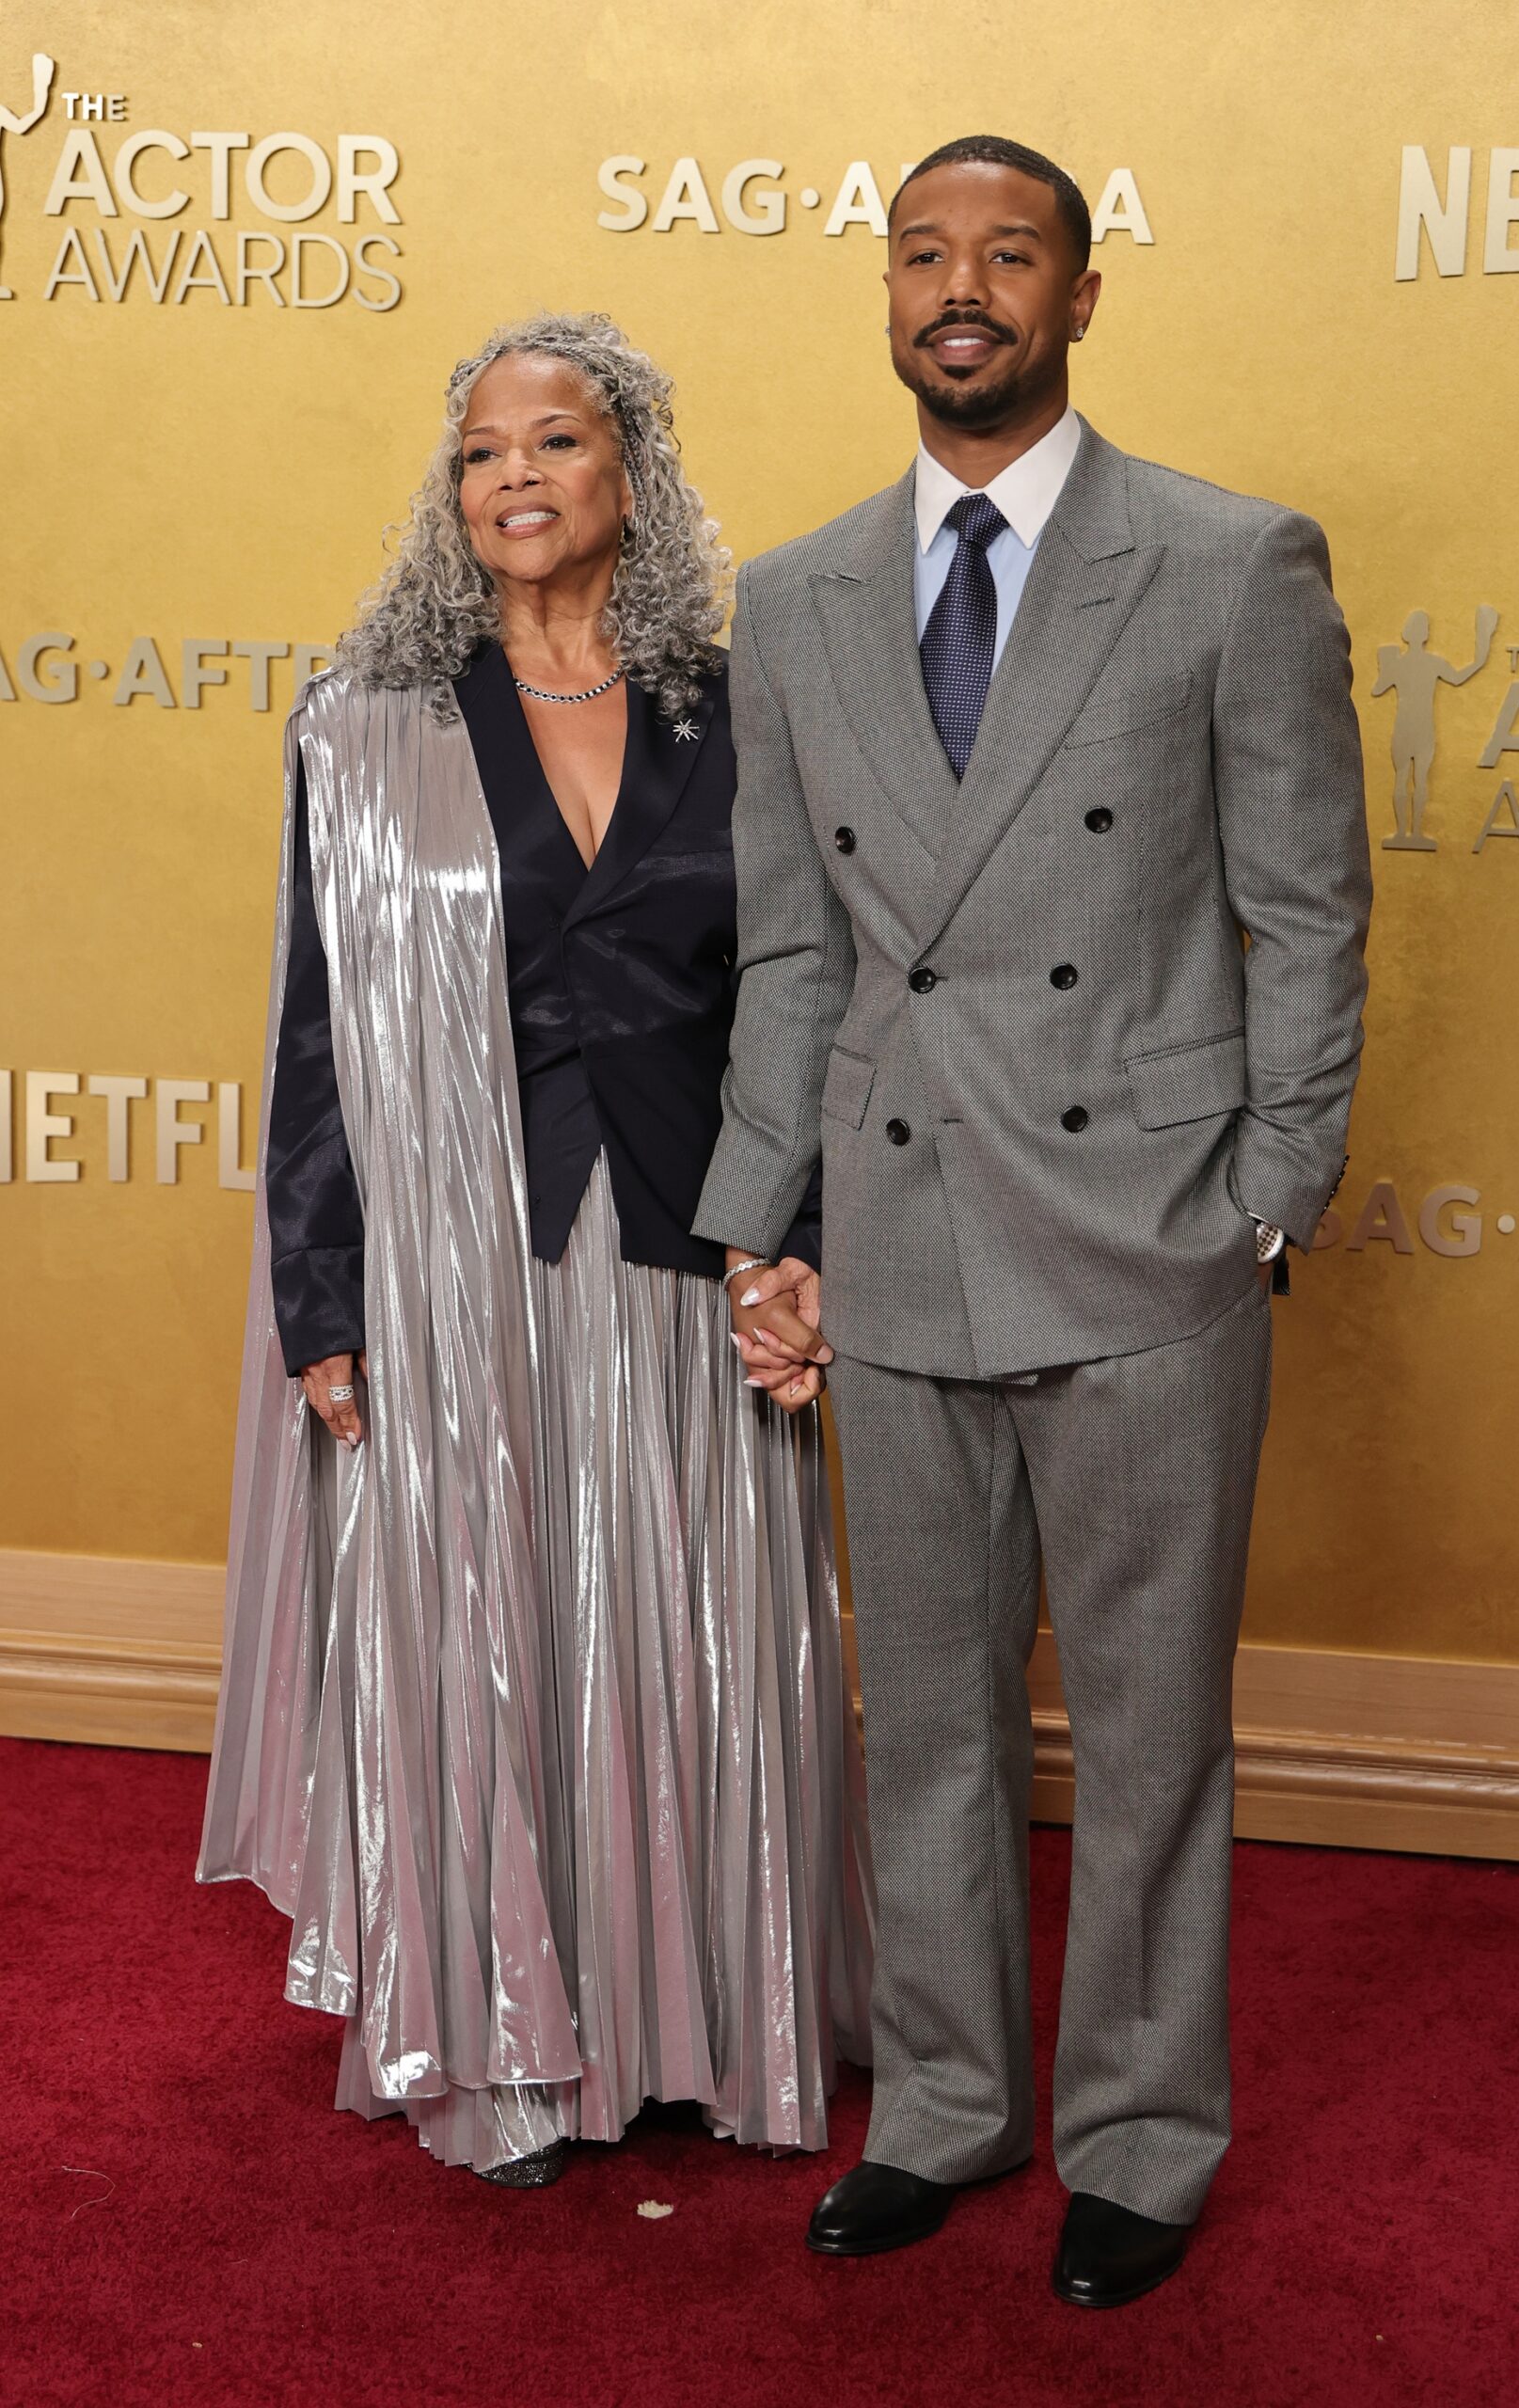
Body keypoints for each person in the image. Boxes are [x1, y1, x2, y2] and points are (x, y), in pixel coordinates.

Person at [695, 135, 1370, 2304]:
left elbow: (1305, 910)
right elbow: (791, 952)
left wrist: (1266, 1199)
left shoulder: (1226, 559)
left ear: (1083, 296)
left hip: (1150, 1231)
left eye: (1007, 255)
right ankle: (960, 2100)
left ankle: (1147, 2134)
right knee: (939, 1718)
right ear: (885, 299)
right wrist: (755, 1217)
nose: (956, 289)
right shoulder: (795, 592)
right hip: (896, 1236)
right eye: (921, 256)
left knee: (1155, 1723)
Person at [198, 311, 872, 2187]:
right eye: (482, 447)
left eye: (556, 441)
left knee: (692, 1618)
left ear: (629, 475)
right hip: (446, 1256)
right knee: (479, 1631)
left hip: (694, 1239)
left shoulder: (737, 710)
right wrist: (316, 1294)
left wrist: (793, 1240)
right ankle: (489, 2041)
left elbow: (801, 1001)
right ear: (452, 486)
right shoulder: (368, 720)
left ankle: (693, 2026)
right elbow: (318, 1023)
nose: (513, 474)